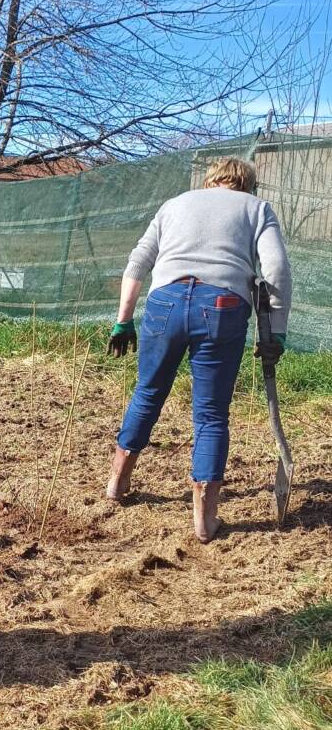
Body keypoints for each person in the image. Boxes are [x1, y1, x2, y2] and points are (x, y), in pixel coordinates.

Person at [106, 156, 292, 542]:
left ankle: (116, 484)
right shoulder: (256, 208)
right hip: (222, 308)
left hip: (165, 303)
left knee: (147, 392)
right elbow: (275, 271)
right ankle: (204, 522)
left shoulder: (175, 204)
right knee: (210, 415)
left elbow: (139, 260)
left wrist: (123, 319)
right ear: (248, 185)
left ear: (210, 181)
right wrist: (275, 331)